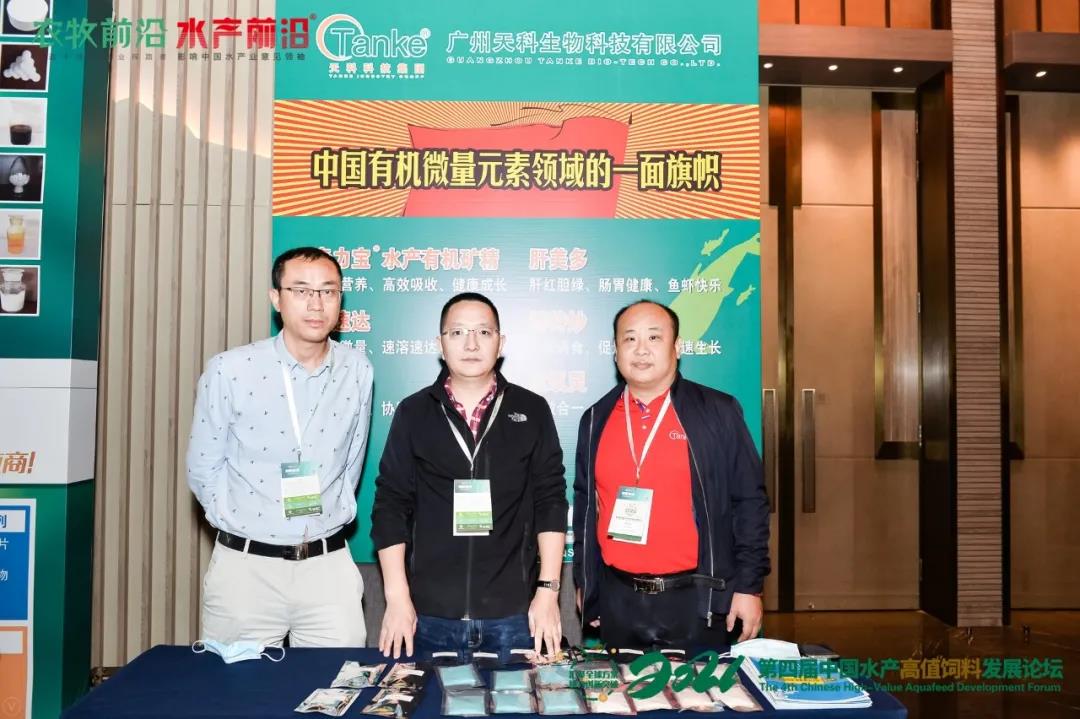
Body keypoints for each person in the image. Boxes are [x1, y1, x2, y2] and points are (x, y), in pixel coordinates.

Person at [186, 246, 373, 648]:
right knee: (237, 684)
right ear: (276, 298)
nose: (316, 303)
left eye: (328, 291)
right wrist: (243, 527)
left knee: (337, 683)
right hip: (246, 569)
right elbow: (203, 468)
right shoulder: (231, 370)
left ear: (340, 299)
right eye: (301, 290)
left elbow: (351, 463)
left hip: (327, 568)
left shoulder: (357, 369)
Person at [371, 292, 568, 661]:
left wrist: (548, 592)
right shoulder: (414, 412)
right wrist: (397, 598)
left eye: (484, 332)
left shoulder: (532, 409)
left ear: (501, 342)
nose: (471, 344)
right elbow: (390, 505)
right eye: (458, 332)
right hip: (429, 615)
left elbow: (551, 501)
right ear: (440, 343)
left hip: (514, 614)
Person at [572, 299, 769, 649]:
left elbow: (749, 502)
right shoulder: (595, 419)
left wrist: (749, 587)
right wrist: (588, 586)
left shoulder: (717, 412)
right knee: (623, 687)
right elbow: (586, 506)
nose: (641, 349)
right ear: (615, 351)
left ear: (676, 347)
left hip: (698, 602)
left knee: (701, 687)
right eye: (630, 339)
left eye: (654, 337)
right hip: (620, 600)